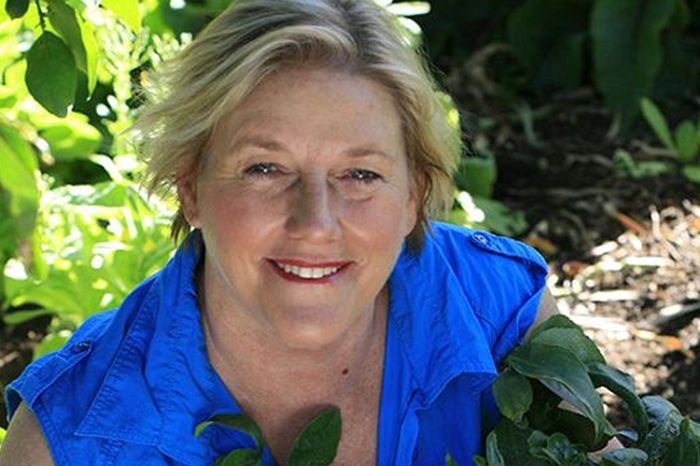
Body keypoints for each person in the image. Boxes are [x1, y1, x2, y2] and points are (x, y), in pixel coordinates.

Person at [0, 0, 558, 464]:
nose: (315, 224)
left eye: (360, 174)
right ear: (190, 189)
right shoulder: (67, 442)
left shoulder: (506, 316)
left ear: (413, 197)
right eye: (264, 169)